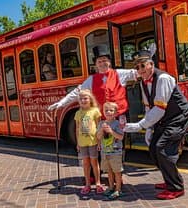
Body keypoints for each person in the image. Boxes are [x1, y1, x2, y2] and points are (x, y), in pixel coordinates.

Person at [48, 44, 136, 182]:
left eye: (104, 60)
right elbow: (77, 92)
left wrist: (150, 60)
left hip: (119, 116)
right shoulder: (91, 79)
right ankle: (96, 175)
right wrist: (61, 103)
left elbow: (139, 72)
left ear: (109, 61)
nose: (102, 63)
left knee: (117, 145)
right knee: (99, 144)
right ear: (95, 64)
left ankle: (117, 174)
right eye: (99, 61)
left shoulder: (120, 74)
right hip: (101, 117)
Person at [123, 50, 188, 200]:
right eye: (137, 68)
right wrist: (149, 128)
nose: (140, 70)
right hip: (165, 118)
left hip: (179, 117)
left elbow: (160, 108)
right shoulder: (143, 81)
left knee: (163, 148)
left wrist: (140, 125)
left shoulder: (163, 78)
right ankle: (169, 180)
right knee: (153, 147)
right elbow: (149, 106)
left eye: (143, 66)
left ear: (151, 64)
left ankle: (176, 187)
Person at [74, 89, 104, 195]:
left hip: (93, 142)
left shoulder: (95, 111)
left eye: (85, 98)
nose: (83, 100)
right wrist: (77, 143)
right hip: (82, 143)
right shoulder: (78, 113)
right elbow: (77, 129)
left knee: (94, 163)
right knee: (85, 164)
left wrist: (99, 142)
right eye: (81, 99)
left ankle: (98, 183)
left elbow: (99, 127)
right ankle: (87, 184)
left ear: (90, 99)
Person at [96, 102, 124, 200]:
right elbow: (98, 137)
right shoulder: (101, 123)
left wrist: (111, 131)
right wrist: (101, 130)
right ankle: (111, 187)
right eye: (106, 110)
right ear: (103, 112)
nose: (108, 112)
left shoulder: (117, 124)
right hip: (105, 152)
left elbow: (121, 137)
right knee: (109, 171)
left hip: (115, 152)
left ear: (116, 113)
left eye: (111, 110)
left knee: (117, 171)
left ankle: (118, 189)